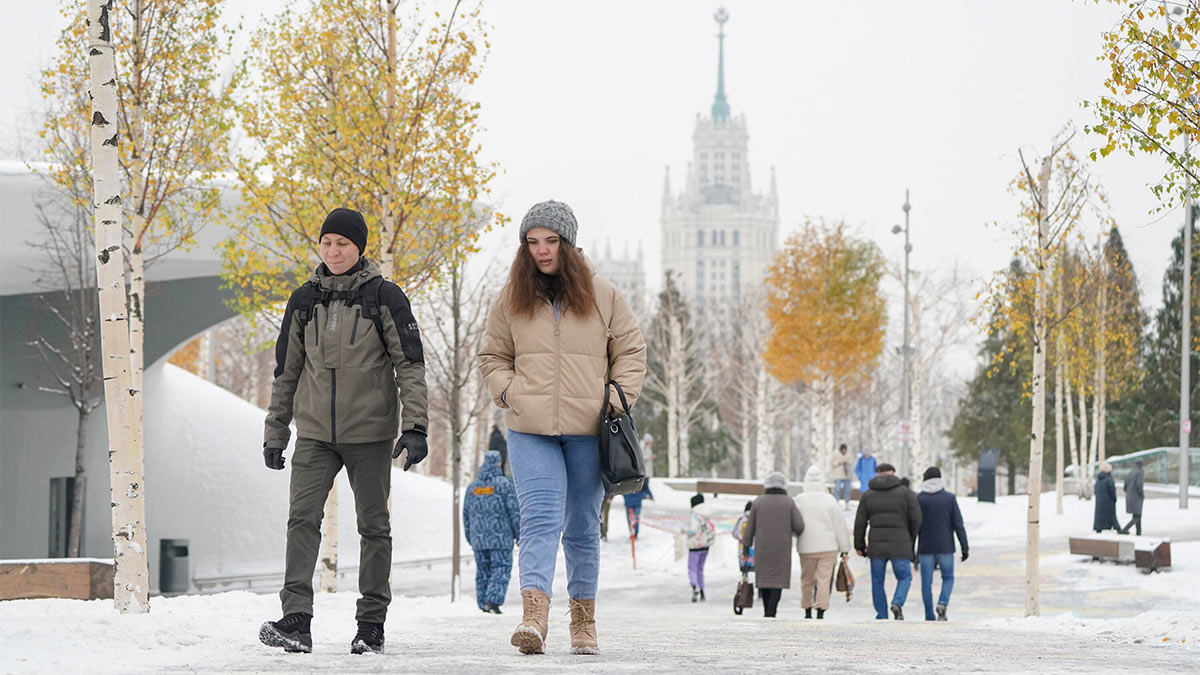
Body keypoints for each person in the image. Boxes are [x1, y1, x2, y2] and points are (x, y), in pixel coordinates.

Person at [477, 200, 646, 656]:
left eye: (551, 241)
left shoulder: (604, 295)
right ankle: (534, 618)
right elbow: (492, 356)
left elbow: (631, 352)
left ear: (568, 244)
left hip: (590, 430)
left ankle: (583, 624)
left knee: (581, 527)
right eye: (532, 242)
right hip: (530, 429)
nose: (542, 251)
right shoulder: (511, 297)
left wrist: (615, 398)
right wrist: (509, 391)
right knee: (539, 519)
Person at [258, 208, 429, 655]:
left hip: (370, 434)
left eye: (343, 244)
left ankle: (371, 623)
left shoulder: (385, 297)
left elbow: (410, 366)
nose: (333, 251)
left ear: (359, 248)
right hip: (315, 433)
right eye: (327, 242)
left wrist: (415, 427)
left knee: (373, 527)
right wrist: (275, 430)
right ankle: (296, 619)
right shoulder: (303, 300)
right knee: (301, 520)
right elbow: (286, 372)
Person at [854, 462, 922, 620]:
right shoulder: (906, 493)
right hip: (900, 544)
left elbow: (860, 523)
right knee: (904, 577)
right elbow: (917, 518)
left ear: (878, 474)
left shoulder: (868, 495)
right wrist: (909, 536)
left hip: (876, 546)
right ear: (893, 473)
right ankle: (897, 602)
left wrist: (860, 545)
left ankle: (882, 614)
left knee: (877, 581)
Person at [741, 472, 805, 618]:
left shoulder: (758, 501)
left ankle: (767, 611)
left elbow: (749, 526)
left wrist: (746, 545)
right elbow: (799, 526)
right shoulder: (788, 502)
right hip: (781, 549)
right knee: (777, 579)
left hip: (763, 548)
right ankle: (772, 610)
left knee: (764, 579)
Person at [464, 450, 521, 614]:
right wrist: (518, 534)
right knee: (501, 567)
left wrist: (470, 537)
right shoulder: (504, 485)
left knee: (483, 570)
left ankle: (483, 603)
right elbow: (514, 511)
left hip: (479, 539)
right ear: (498, 464)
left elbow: (466, 515)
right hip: (500, 538)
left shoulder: (473, 487)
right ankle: (493, 601)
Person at [794, 467, 851, 619]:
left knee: (806, 579)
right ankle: (821, 610)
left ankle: (807, 609)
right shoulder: (830, 500)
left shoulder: (799, 500)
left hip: (806, 547)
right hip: (828, 547)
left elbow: (795, 524)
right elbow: (840, 526)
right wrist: (844, 548)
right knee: (824, 580)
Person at [915, 466, 968, 622]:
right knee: (948, 578)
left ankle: (929, 615)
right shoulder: (949, 498)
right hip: (946, 547)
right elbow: (958, 524)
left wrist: (912, 550)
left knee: (926, 583)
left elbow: (914, 526)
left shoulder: (919, 499)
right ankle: (942, 603)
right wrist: (964, 547)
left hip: (925, 547)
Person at [685, 493, 716, 602]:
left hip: (695, 545)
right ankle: (702, 590)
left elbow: (693, 530)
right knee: (700, 568)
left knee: (692, 568)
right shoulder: (707, 514)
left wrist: (685, 532)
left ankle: (694, 587)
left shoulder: (695, 515)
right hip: (705, 546)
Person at [1094, 463, 1121, 533]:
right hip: (1108, 501)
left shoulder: (1098, 479)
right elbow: (1112, 490)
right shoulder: (1109, 479)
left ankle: (1098, 527)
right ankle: (1117, 527)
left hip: (1099, 501)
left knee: (1099, 515)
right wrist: (1114, 499)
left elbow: (1095, 490)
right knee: (1111, 514)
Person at [1120, 460, 1145, 535]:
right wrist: (1141, 494)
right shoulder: (1140, 472)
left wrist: (1128, 492)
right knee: (1137, 516)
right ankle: (1124, 529)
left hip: (1129, 496)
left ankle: (1138, 531)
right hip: (1136, 497)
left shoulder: (1130, 472)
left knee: (1137, 514)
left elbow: (1125, 486)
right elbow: (1139, 484)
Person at [733, 501, 755, 573]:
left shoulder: (741, 520)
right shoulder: (756, 519)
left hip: (742, 547)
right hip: (754, 547)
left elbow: (734, 533)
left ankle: (744, 580)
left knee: (744, 569)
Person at [831, 444, 853, 510]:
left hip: (847, 475)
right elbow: (832, 462)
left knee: (847, 490)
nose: (844, 450)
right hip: (838, 475)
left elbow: (852, 462)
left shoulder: (849, 454)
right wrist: (839, 462)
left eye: (845, 449)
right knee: (837, 489)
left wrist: (847, 462)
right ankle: (836, 503)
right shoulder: (835, 454)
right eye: (843, 449)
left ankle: (847, 504)